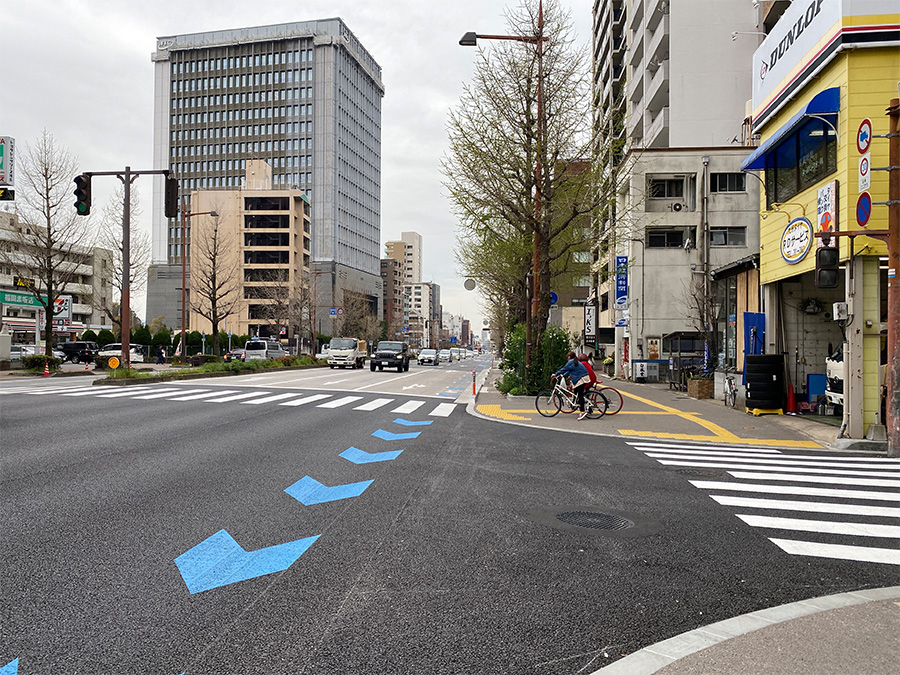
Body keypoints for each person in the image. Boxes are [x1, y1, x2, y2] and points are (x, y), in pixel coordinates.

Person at [554, 351, 592, 420]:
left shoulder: (571, 362)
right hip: (583, 378)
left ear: (569, 357)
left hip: (581, 379)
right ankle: (576, 404)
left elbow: (564, 369)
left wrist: (555, 374)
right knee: (576, 392)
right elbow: (569, 371)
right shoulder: (575, 361)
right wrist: (563, 376)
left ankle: (582, 411)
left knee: (580, 395)